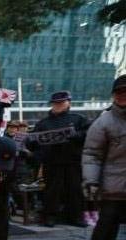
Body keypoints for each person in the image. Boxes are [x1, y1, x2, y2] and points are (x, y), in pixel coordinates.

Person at [82, 75, 126, 240]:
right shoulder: (104, 121)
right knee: (106, 226)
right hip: (113, 187)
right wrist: (91, 180)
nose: (122, 96)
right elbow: (92, 154)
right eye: (119, 93)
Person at [30, 91, 90, 227]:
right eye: (56, 103)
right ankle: (50, 216)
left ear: (69, 103)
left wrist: (77, 135)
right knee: (52, 191)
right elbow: (33, 140)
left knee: (74, 190)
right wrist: (31, 142)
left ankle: (76, 217)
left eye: (61, 103)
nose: (58, 105)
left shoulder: (79, 119)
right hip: (52, 162)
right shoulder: (43, 123)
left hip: (73, 161)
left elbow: (90, 133)